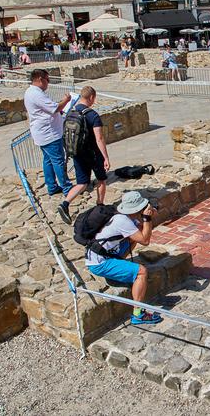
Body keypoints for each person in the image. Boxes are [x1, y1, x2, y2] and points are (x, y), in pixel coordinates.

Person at [85, 191, 163, 325]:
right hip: (99, 264)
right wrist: (147, 219)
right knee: (142, 272)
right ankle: (138, 314)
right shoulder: (123, 221)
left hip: (98, 254)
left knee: (133, 239)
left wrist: (147, 217)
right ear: (138, 208)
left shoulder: (121, 215)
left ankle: (119, 267)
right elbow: (145, 240)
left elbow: (139, 231)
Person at [57, 86, 111, 224]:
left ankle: (65, 204)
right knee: (101, 179)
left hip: (77, 152)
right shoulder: (93, 115)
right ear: (91, 97)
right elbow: (99, 138)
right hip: (93, 153)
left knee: (82, 183)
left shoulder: (71, 112)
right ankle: (100, 205)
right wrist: (105, 157)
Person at [24, 69, 73, 197]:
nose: (48, 83)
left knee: (48, 161)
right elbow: (55, 108)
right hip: (50, 134)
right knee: (58, 161)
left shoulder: (31, 92)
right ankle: (67, 188)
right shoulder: (36, 94)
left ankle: (51, 186)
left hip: (43, 134)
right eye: (47, 79)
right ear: (40, 79)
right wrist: (66, 100)